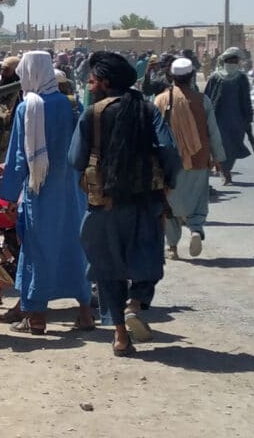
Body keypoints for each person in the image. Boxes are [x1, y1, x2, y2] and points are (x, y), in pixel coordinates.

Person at [70, 52, 180, 356]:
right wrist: (168, 184)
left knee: (107, 268)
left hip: (104, 206)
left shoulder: (92, 114)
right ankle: (135, 303)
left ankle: (120, 335)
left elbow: (75, 159)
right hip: (146, 202)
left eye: (92, 80)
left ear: (105, 82)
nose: (89, 85)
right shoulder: (148, 110)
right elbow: (169, 151)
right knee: (147, 260)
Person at [0, 52, 94, 334]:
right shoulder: (67, 104)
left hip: (39, 192)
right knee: (74, 246)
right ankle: (85, 312)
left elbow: (18, 157)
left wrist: (7, 197)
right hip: (70, 189)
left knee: (37, 249)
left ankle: (36, 317)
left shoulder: (26, 109)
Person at [154, 58, 226, 259]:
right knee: (198, 202)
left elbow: (153, 132)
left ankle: (172, 247)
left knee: (168, 206)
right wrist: (218, 157)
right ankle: (195, 230)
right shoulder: (202, 100)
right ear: (191, 76)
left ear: (171, 77)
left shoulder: (160, 100)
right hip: (198, 160)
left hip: (169, 163)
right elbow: (213, 131)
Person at [204, 47, 253, 185]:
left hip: (237, 120)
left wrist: (248, 118)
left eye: (234, 60)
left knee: (233, 146)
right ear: (224, 61)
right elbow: (207, 98)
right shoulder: (215, 77)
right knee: (221, 145)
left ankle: (226, 169)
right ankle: (225, 173)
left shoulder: (242, 78)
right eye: (229, 60)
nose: (232, 63)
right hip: (218, 119)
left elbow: (246, 99)